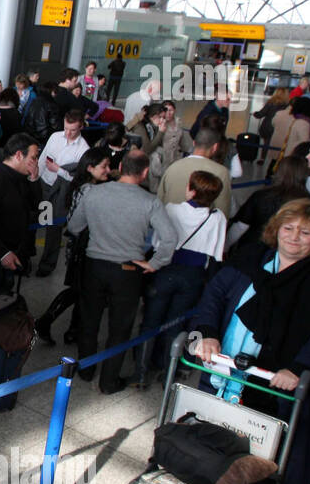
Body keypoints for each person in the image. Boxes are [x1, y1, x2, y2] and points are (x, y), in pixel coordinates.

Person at [190, 199, 310, 484]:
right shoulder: (253, 257)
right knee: (213, 429)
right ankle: (206, 478)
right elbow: (215, 293)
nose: (293, 237)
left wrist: (300, 367)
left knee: (266, 446)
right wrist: (207, 333)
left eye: (305, 233)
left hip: (278, 378)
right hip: (226, 367)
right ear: (276, 229)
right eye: (288, 228)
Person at [68, 150, 178, 395]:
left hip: (94, 265)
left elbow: (75, 226)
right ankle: (108, 381)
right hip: (128, 270)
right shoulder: (149, 201)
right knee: (120, 327)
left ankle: (85, 370)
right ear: (145, 172)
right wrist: (155, 263)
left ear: (119, 166)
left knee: (89, 319)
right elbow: (170, 238)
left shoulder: (94, 192)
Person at [134, 170, 227, 387]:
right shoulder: (218, 217)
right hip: (193, 276)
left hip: (166, 270)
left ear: (191, 190)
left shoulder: (171, 209)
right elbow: (217, 253)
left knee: (150, 322)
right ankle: (168, 373)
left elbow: (158, 243)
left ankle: (140, 373)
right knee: (175, 324)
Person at [35, 148, 113, 345]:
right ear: (90, 168)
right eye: (103, 166)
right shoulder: (91, 191)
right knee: (80, 290)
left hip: (79, 245)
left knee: (81, 290)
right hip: (86, 246)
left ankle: (70, 329)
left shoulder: (79, 186)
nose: (108, 170)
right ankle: (51, 323)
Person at [0, 134, 41, 295]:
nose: (35, 162)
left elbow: (37, 207)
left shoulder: (21, 178)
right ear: (19, 155)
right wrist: (2, 253)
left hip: (12, 252)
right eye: (33, 158)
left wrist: (34, 179)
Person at [34, 108, 90, 277]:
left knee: (53, 227)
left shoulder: (83, 149)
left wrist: (58, 170)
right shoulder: (55, 137)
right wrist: (34, 178)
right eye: (66, 128)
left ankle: (47, 264)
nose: (67, 133)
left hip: (60, 192)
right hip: (44, 184)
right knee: (38, 220)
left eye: (72, 130)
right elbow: (43, 159)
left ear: (80, 127)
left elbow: (78, 179)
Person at [156, 127, 234, 218]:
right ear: (215, 147)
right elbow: (222, 211)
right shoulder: (221, 173)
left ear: (193, 143)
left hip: (168, 224)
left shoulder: (173, 167)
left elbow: (160, 199)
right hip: (200, 228)